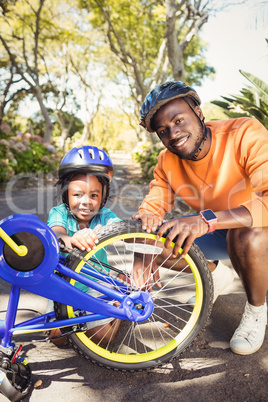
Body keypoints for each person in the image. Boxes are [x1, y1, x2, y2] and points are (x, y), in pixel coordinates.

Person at [133, 81, 268, 356]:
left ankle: (256, 309)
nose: (173, 133)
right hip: (221, 230)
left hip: (257, 232)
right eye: (163, 131)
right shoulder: (167, 161)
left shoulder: (243, 133)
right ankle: (216, 276)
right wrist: (141, 252)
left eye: (179, 119)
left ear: (198, 112)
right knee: (160, 241)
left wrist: (205, 220)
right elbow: (151, 209)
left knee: (245, 233)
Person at [47, 145, 121, 346]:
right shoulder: (59, 213)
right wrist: (71, 240)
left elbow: (121, 229)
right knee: (58, 339)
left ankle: (118, 308)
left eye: (94, 195)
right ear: (66, 194)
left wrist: (136, 230)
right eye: (78, 195)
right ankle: (91, 319)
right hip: (64, 286)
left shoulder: (105, 216)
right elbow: (57, 233)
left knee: (102, 338)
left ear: (102, 196)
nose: (86, 202)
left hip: (96, 285)